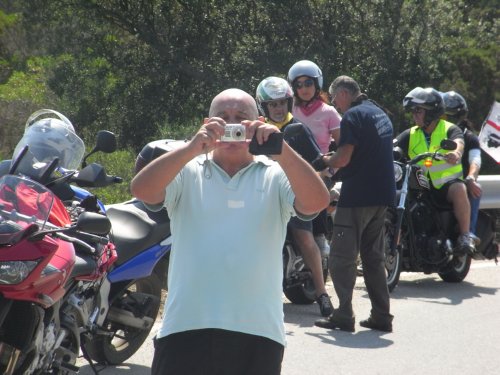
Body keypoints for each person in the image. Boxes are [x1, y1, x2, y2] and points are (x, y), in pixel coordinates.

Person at [130, 88, 330, 375]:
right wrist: (189, 149)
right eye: (223, 118)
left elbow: (318, 201)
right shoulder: (187, 171)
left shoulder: (276, 174)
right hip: (185, 327)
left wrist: (280, 148)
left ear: (260, 122)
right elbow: (141, 189)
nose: (232, 125)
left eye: (241, 118)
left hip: (258, 332)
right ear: (206, 122)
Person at [314, 76, 396, 333]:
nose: (335, 104)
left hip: (357, 197)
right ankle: (382, 315)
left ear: (343, 93)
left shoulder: (352, 117)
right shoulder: (379, 113)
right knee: (373, 257)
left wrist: (325, 161)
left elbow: (344, 158)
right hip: (382, 195)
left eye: (334, 97)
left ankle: (343, 314)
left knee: (341, 257)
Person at [256, 76, 333, 317]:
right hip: (263, 196)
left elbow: (318, 165)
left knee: (304, 236)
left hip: (294, 197)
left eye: (282, 103)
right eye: (273, 105)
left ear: (289, 104)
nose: (278, 109)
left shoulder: (297, 130)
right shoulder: (256, 131)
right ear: (264, 107)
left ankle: (322, 293)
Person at [394, 87, 476, 255]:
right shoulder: (411, 133)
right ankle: (394, 243)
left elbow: (459, 142)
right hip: (419, 185)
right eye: (413, 111)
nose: (414, 114)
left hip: (445, 186)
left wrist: (456, 152)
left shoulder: (449, 128)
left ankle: (465, 235)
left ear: (431, 113)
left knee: (459, 188)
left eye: (418, 111)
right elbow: (393, 146)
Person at [287, 60, 342, 255]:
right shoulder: (287, 109)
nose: (304, 89)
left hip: (319, 168)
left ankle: (319, 236)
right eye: (298, 85)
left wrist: (331, 165)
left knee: (314, 186)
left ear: (317, 84)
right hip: (288, 167)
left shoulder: (329, 112)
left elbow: (343, 145)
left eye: (308, 83)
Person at [441, 91, 482, 238]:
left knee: (475, 190)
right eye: (443, 115)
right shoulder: (435, 133)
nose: (445, 119)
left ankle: (467, 235)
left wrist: (471, 178)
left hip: (461, 181)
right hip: (437, 180)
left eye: (448, 116)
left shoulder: (470, 138)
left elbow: (475, 160)